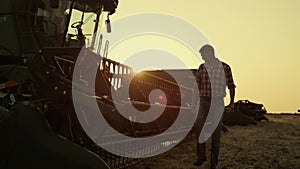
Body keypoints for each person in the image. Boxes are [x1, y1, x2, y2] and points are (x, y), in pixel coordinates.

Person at [192, 44, 236, 169]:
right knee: (198, 126)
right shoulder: (202, 68)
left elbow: (231, 86)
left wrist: (232, 102)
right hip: (203, 102)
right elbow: (197, 87)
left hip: (217, 102)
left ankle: (213, 163)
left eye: (203, 54)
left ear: (210, 52)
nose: (202, 56)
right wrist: (193, 103)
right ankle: (201, 156)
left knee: (216, 133)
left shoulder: (225, 67)